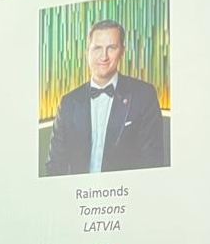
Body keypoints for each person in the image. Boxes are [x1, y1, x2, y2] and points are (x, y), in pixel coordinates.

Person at [45, 19, 165, 176]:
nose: (104, 56)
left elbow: (153, 163)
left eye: (111, 48)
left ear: (122, 51)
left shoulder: (144, 95)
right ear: (87, 53)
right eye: (97, 48)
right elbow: (55, 166)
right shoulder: (68, 102)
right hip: (79, 197)